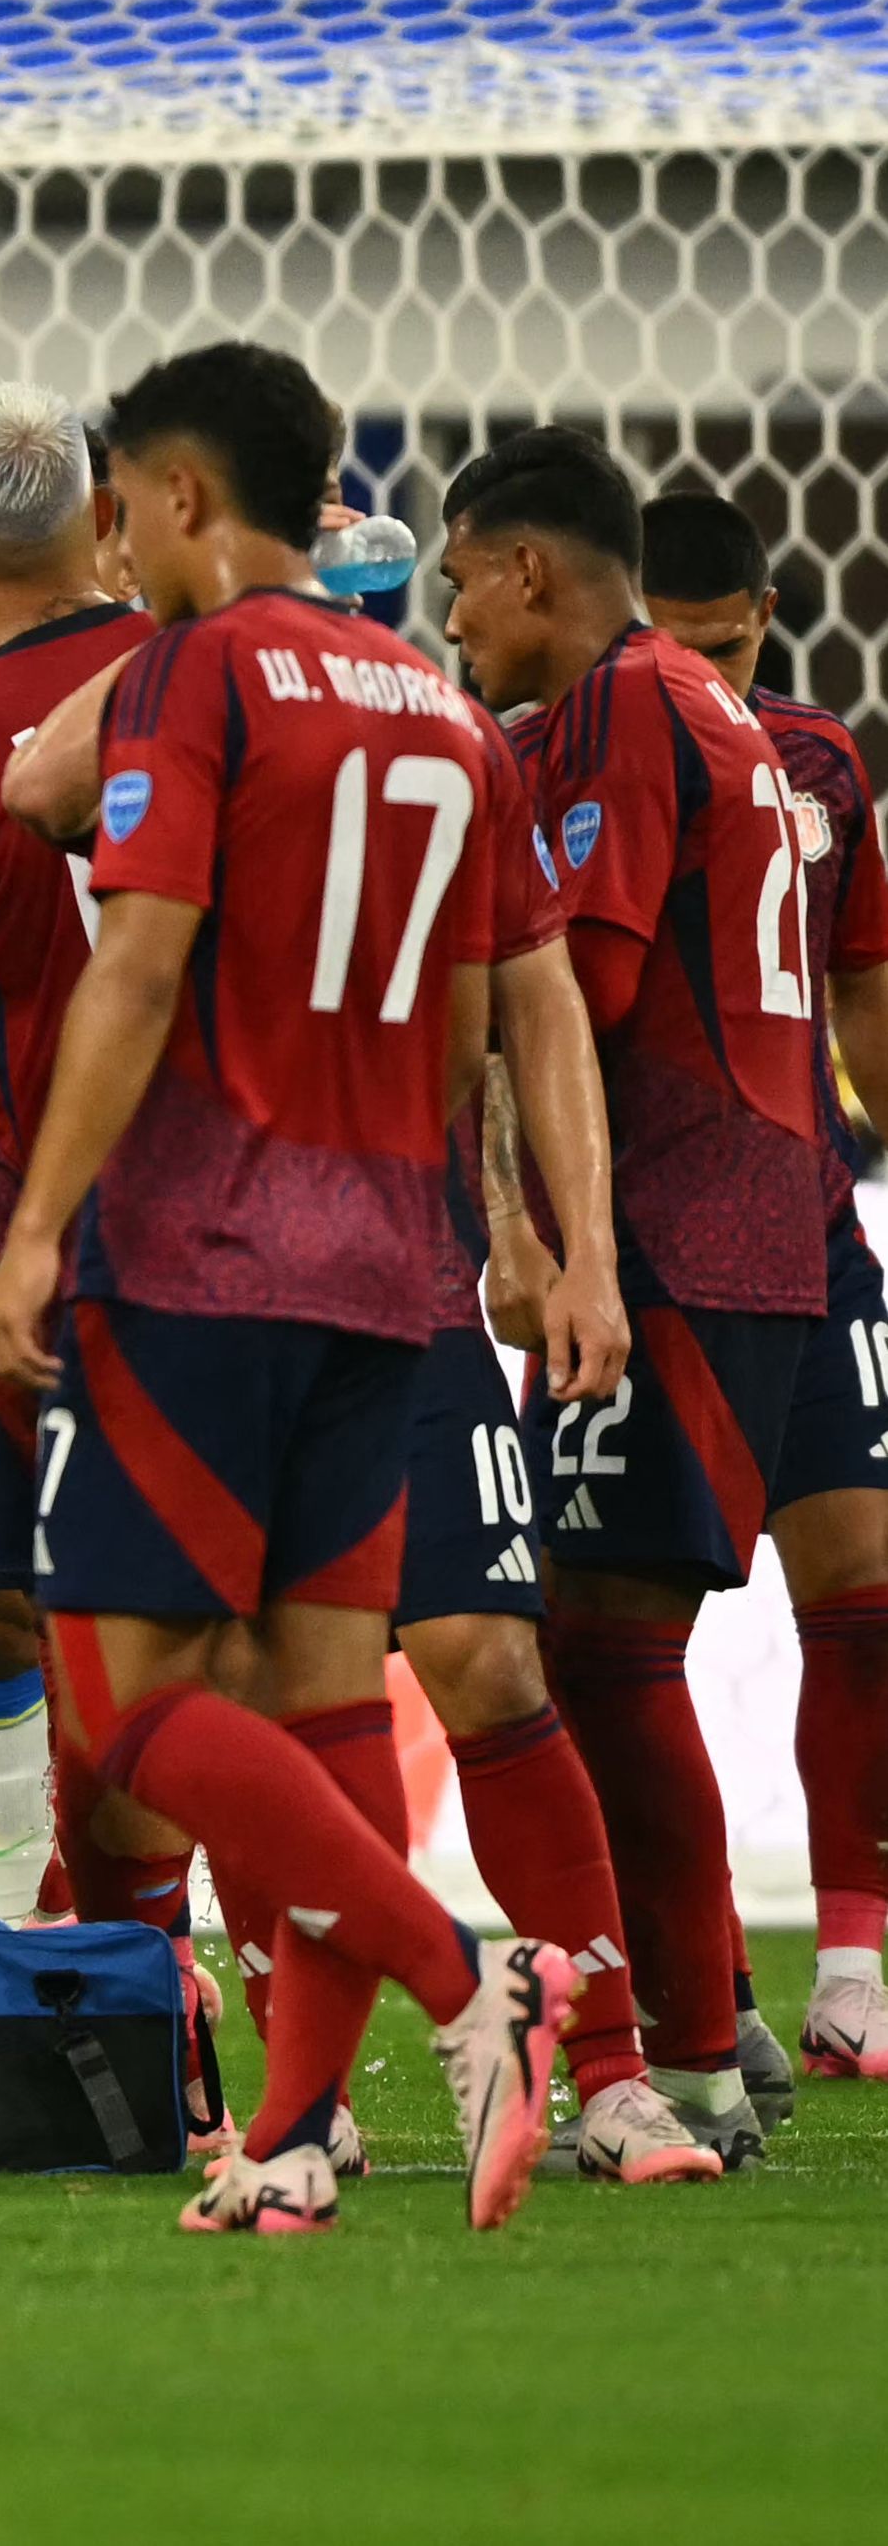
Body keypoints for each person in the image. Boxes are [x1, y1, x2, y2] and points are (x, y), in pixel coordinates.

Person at [0, 342, 576, 2239]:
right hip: (388, 1258)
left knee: (125, 1702)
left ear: (168, 495)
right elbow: (487, 1011)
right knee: (321, 1714)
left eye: (126, 502)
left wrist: (39, 1226)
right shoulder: (438, 698)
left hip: (205, 1250)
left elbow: (138, 968)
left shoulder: (195, 669)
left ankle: (460, 1968)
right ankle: (301, 2142)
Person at [438, 429, 826, 2173]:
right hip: (752, 1222)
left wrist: (537, 1235)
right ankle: (708, 2006)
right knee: (609, 1644)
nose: (454, 616)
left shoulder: (614, 716)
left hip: (672, 1231)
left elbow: (566, 1002)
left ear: (532, 572)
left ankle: (689, 2045)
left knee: (603, 1647)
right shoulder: (702, 698)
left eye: (462, 577)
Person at [626, 491, 888, 2089]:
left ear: (767, 612)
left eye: (723, 642)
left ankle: (849, 1959)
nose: (703, 670)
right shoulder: (574, 750)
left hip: (808, 1229)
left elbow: (860, 980)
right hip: (656, 1246)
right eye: (674, 643)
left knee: (863, 1592)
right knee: (619, 1634)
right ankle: (694, 1970)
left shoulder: (820, 763)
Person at [0, 382, 142, 1924]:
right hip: (282, 1209)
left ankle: (59, 1922)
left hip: (35, 1241)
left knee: (28, 1602)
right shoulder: (225, 673)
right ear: (106, 514)